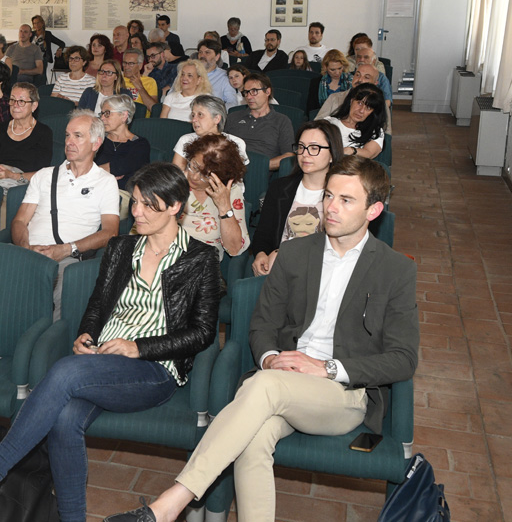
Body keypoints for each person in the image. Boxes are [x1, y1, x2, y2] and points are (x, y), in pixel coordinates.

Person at [107, 157, 417, 522]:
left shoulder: (395, 269)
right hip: (281, 378)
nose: (331, 207)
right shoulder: (297, 253)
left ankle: (170, 503)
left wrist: (326, 368)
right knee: (253, 441)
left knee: (264, 387)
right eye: (329, 196)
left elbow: (403, 358)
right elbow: (263, 324)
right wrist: (270, 358)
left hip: (341, 393)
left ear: (374, 209)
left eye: (346, 200)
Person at [0, 162, 222, 522]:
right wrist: (87, 334)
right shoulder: (121, 248)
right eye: (137, 203)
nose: (138, 212)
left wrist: (138, 348)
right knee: (65, 418)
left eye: (149, 205)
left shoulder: (200, 258)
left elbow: (202, 332)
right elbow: (98, 305)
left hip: (153, 369)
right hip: (102, 359)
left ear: (175, 206)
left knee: (65, 372)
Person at [11, 110, 120, 315]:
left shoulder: (106, 182)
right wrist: (25, 247)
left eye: (78, 136)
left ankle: (51, 343)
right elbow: (19, 221)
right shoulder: (44, 175)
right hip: (28, 251)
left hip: (68, 259)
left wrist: (66, 249)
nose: (69, 141)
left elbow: (110, 232)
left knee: (62, 282)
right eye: (67, 135)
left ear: (96, 143)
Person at [251, 120, 344, 276]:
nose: (305, 154)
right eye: (301, 147)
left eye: (314, 148)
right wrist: (261, 254)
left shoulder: (342, 196)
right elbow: (263, 235)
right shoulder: (279, 188)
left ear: (332, 154)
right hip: (280, 271)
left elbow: (343, 245)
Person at [179, 134, 249, 259]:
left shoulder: (231, 192)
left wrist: (224, 206)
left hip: (203, 263)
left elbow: (234, 249)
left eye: (205, 174)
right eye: (193, 166)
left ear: (221, 176)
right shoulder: (175, 182)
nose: (194, 176)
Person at [0, 82, 53, 187]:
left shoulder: (43, 133)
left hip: (23, 186)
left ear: (34, 106)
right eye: (12, 100)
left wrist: (12, 175)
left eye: (21, 101)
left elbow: (41, 174)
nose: (15, 105)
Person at [225, 73, 294, 171]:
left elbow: (289, 155)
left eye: (254, 91)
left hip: (259, 173)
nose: (249, 97)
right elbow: (220, 146)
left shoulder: (281, 121)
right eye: (246, 92)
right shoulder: (233, 117)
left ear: (267, 91)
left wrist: (260, 166)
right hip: (231, 169)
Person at [171, 95, 248, 172]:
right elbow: (177, 175)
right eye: (193, 115)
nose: (194, 120)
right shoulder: (186, 140)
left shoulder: (236, 143)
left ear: (216, 119)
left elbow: (235, 177)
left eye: (200, 115)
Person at [317, 63, 393, 135]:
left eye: (366, 77)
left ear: (375, 83)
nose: (360, 79)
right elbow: (318, 122)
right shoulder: (334, 98)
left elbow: (386, 132)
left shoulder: (380, 103)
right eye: (357, 75)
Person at [96, 95, 151, 189]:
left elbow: (119, 168)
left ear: (124, 116)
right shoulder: (97, 139)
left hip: (122, 194)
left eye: (107, 113)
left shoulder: (140, 145)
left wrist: (95, 172)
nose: (102, 118)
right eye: (101, 114)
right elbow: (80, 166)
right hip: (93, 188)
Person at [323, 83, 387, 158]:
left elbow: (369, 153)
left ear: (373, 112)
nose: (361, 111)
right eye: (359, 103)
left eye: (368, 108)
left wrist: (351, 150)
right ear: (351, 100)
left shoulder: (375, 131)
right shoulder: (329, 123)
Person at [351, 37, 393, 107]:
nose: (361, 60)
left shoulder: (381, 77)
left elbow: (387, 101)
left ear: (373, 61)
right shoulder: (349, 75)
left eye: (366, 57)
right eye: (359, 57)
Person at [196, 39, 238, 108]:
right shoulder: (188, 73)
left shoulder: (224, 77)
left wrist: (217, 112)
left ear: (217, 57)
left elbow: (232, 102)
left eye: (207, 52)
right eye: (200, 52)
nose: (202, 56)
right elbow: (173, 94)